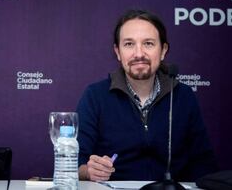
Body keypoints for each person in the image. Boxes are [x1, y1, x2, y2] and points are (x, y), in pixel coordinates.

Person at [76, 9, 217, 182]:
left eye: (148, 43)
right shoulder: (95, 96)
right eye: (129, 44)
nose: (139, 54)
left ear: (163, 50)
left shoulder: (183, 96)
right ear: (118, 52)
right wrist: (89, 171)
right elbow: (74, 164)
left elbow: (204, 163)